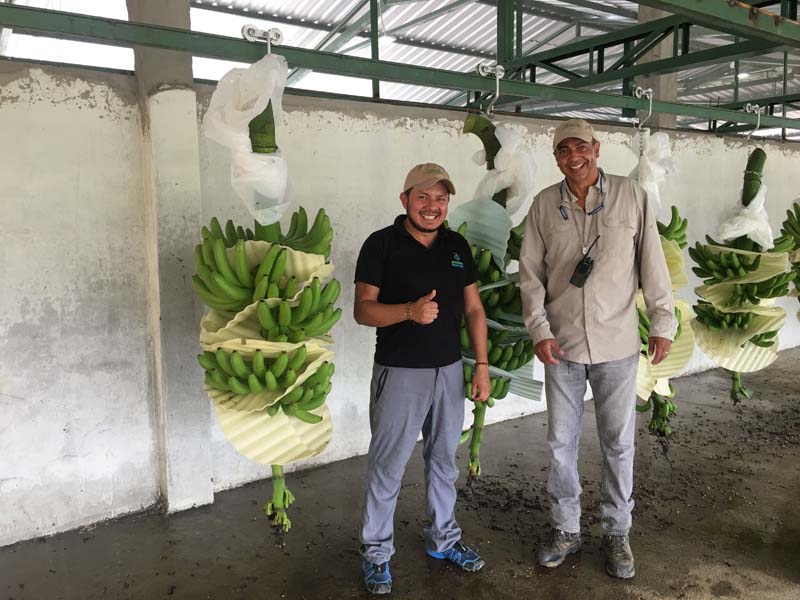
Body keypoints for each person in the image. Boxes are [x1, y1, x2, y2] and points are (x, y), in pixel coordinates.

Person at [519, 119, 676, 579]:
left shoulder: (632, 196)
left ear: (597, 148)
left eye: (581, 147)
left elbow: (653, 262)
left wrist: (662, 321)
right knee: (560, 444)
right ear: (556, 158)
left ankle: (617, 532)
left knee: (619, 444)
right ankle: (565, 528)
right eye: (564, 150)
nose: (574, 157)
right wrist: (539, 330)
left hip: (617, 344)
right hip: (562, 345)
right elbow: (530, 275)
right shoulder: (543, 205)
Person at [353, 163, 491, 595]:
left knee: (444, 461)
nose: (432, 206)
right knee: (388, 466)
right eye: (423, 197)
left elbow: (474, 309)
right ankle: (377, 553)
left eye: (441, 198)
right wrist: (409, 312)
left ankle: (443, 539)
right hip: (400, 372)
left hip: (448, 372)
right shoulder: (381, 244)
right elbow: (362, 310)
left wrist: (481, 365)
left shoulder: (457, 246)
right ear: (405, 200)